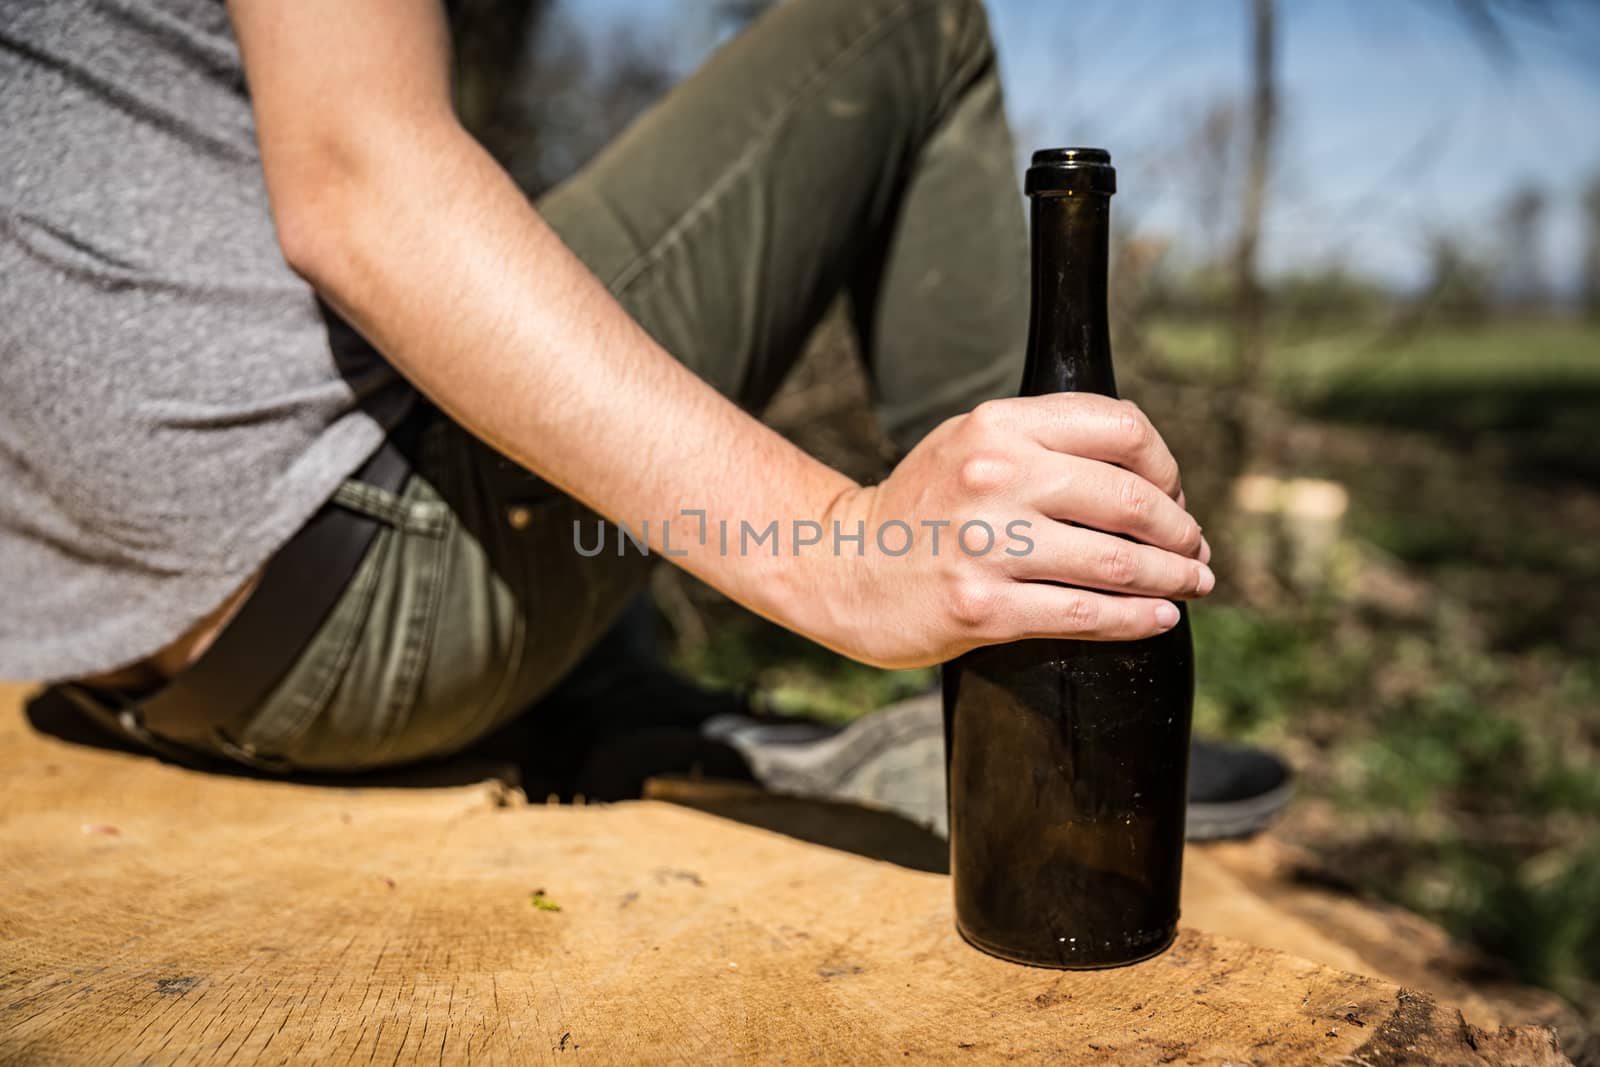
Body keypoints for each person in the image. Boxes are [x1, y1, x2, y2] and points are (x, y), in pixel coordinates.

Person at [0, 0, 1289, 836]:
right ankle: (1035, 708)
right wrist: (844, 548)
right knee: (911, 18)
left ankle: (622, 700)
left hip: (120, 658)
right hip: (354, 588)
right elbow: (359, 186)